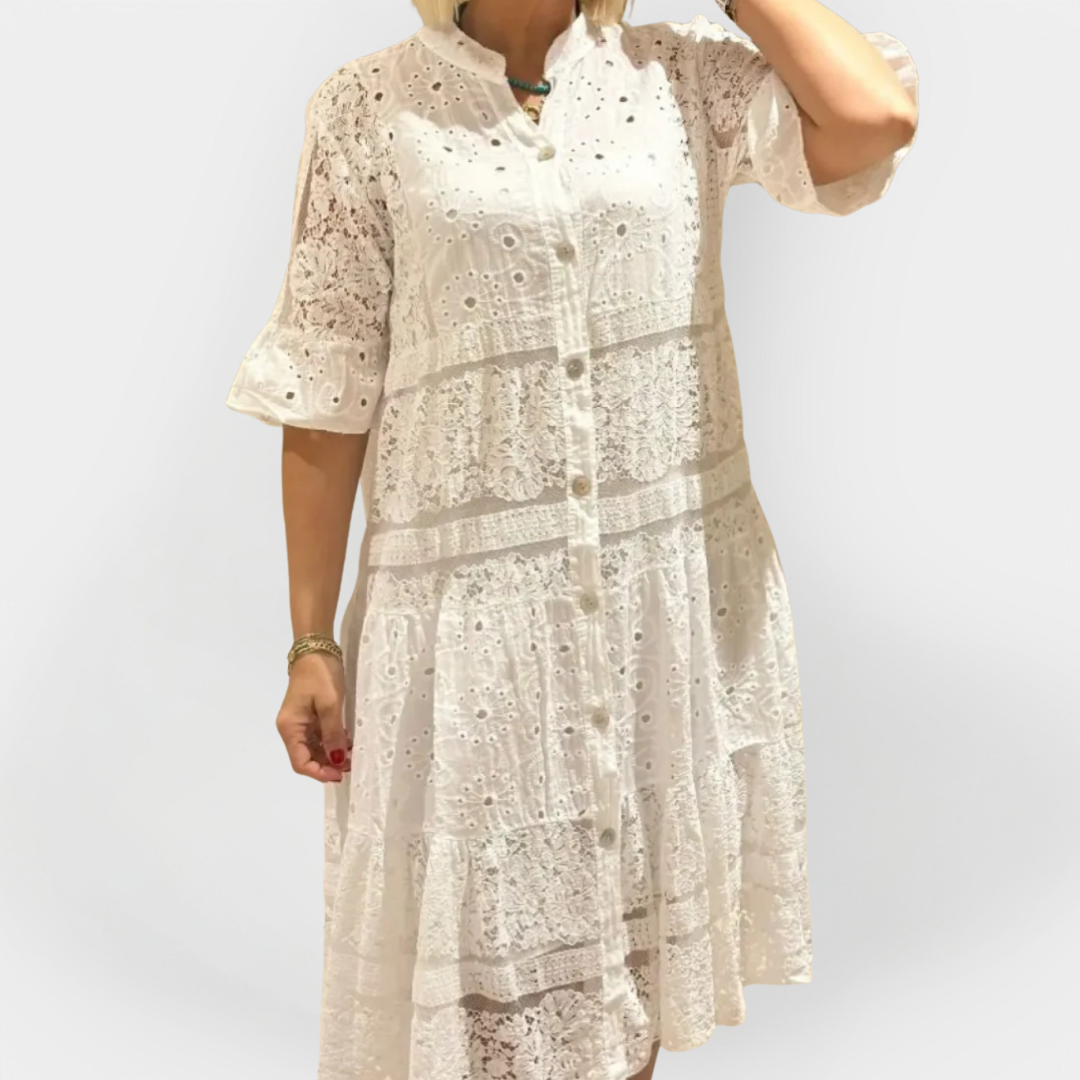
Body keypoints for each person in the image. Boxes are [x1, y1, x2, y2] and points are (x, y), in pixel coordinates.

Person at [225, 0, 919, 1077]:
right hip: (471, 635)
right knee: (485, 999)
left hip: (655, 610)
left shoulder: (679, 78)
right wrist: (310, 639)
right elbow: (328, 381)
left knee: (626, 997)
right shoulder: (367, 107)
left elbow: (872, 118)